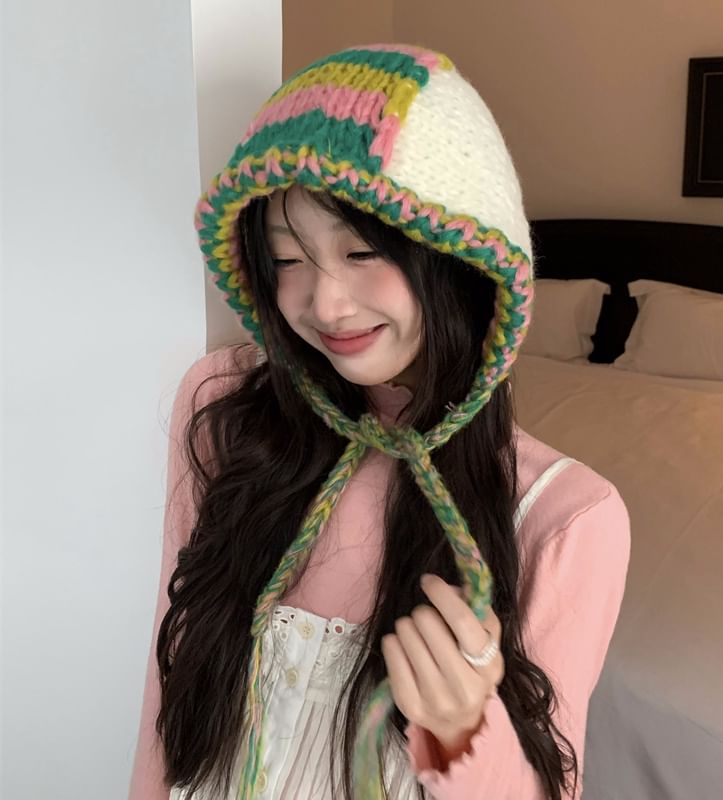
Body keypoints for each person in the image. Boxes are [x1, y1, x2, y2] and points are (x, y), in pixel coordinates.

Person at [128, 43, 630, 800]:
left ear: (461, 262)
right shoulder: (224, 407)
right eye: (287, 259)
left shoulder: (564, 516)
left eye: (362, 251)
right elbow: (171, 678)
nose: (326, 305)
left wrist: (464, 735)